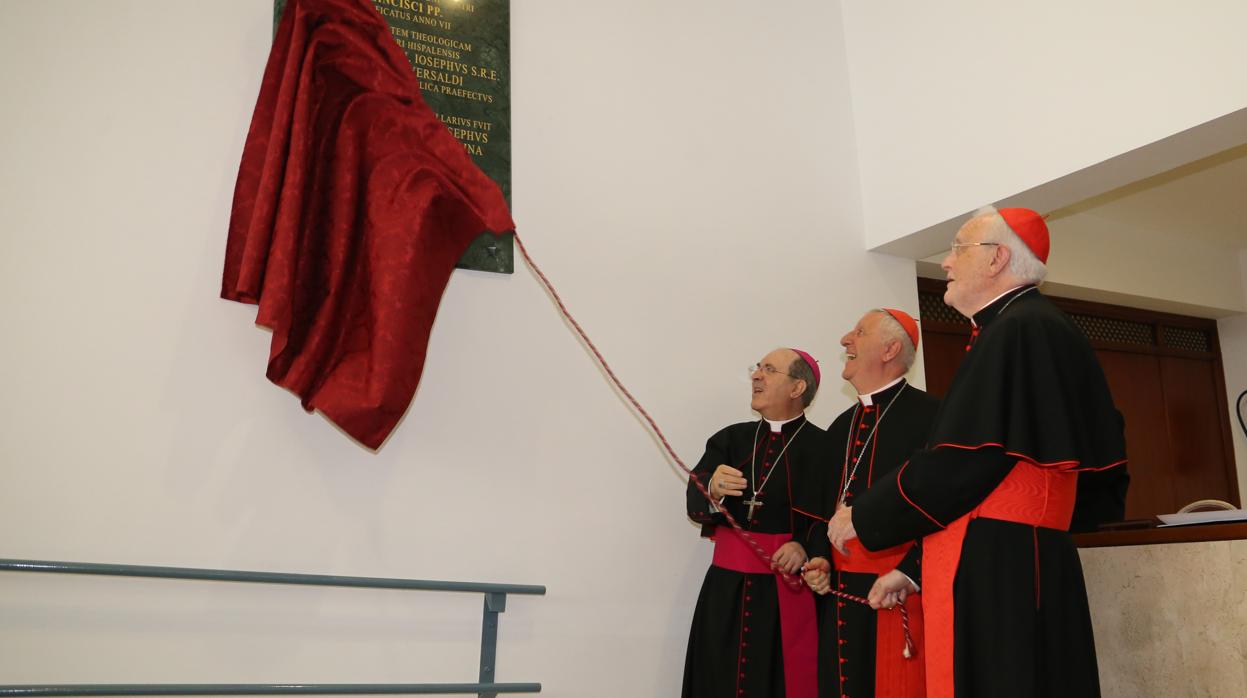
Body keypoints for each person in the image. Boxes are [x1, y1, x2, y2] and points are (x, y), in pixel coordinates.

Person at [827, 206, 1129, 698]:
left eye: (957, 249)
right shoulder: (1024, 327)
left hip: (1002, 560)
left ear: (997, 259)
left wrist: (864, 514)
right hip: (1009, 550)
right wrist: (915, 569)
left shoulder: (1019, 329)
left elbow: (967, 462)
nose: (946, 263)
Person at [802, 308, 938, 698]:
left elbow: (943, 508)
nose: (846, 339)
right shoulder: (841, 426)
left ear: (890, 348)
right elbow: (817, 512)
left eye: (859, 332)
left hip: (899, 590)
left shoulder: (932, 416)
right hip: (842, 594)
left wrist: (912, 570)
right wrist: (820, 558)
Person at [683, 348, 828, 698]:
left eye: (770, 369)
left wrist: (806, 547)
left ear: (797, 388)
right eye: (757, 368)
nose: (757, 375)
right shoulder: (730, 440)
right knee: (717, 676)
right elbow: (695, 498)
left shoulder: (825, 446)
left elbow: (834, 516)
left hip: (787, 593)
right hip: (725, 592)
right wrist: (712, 490)